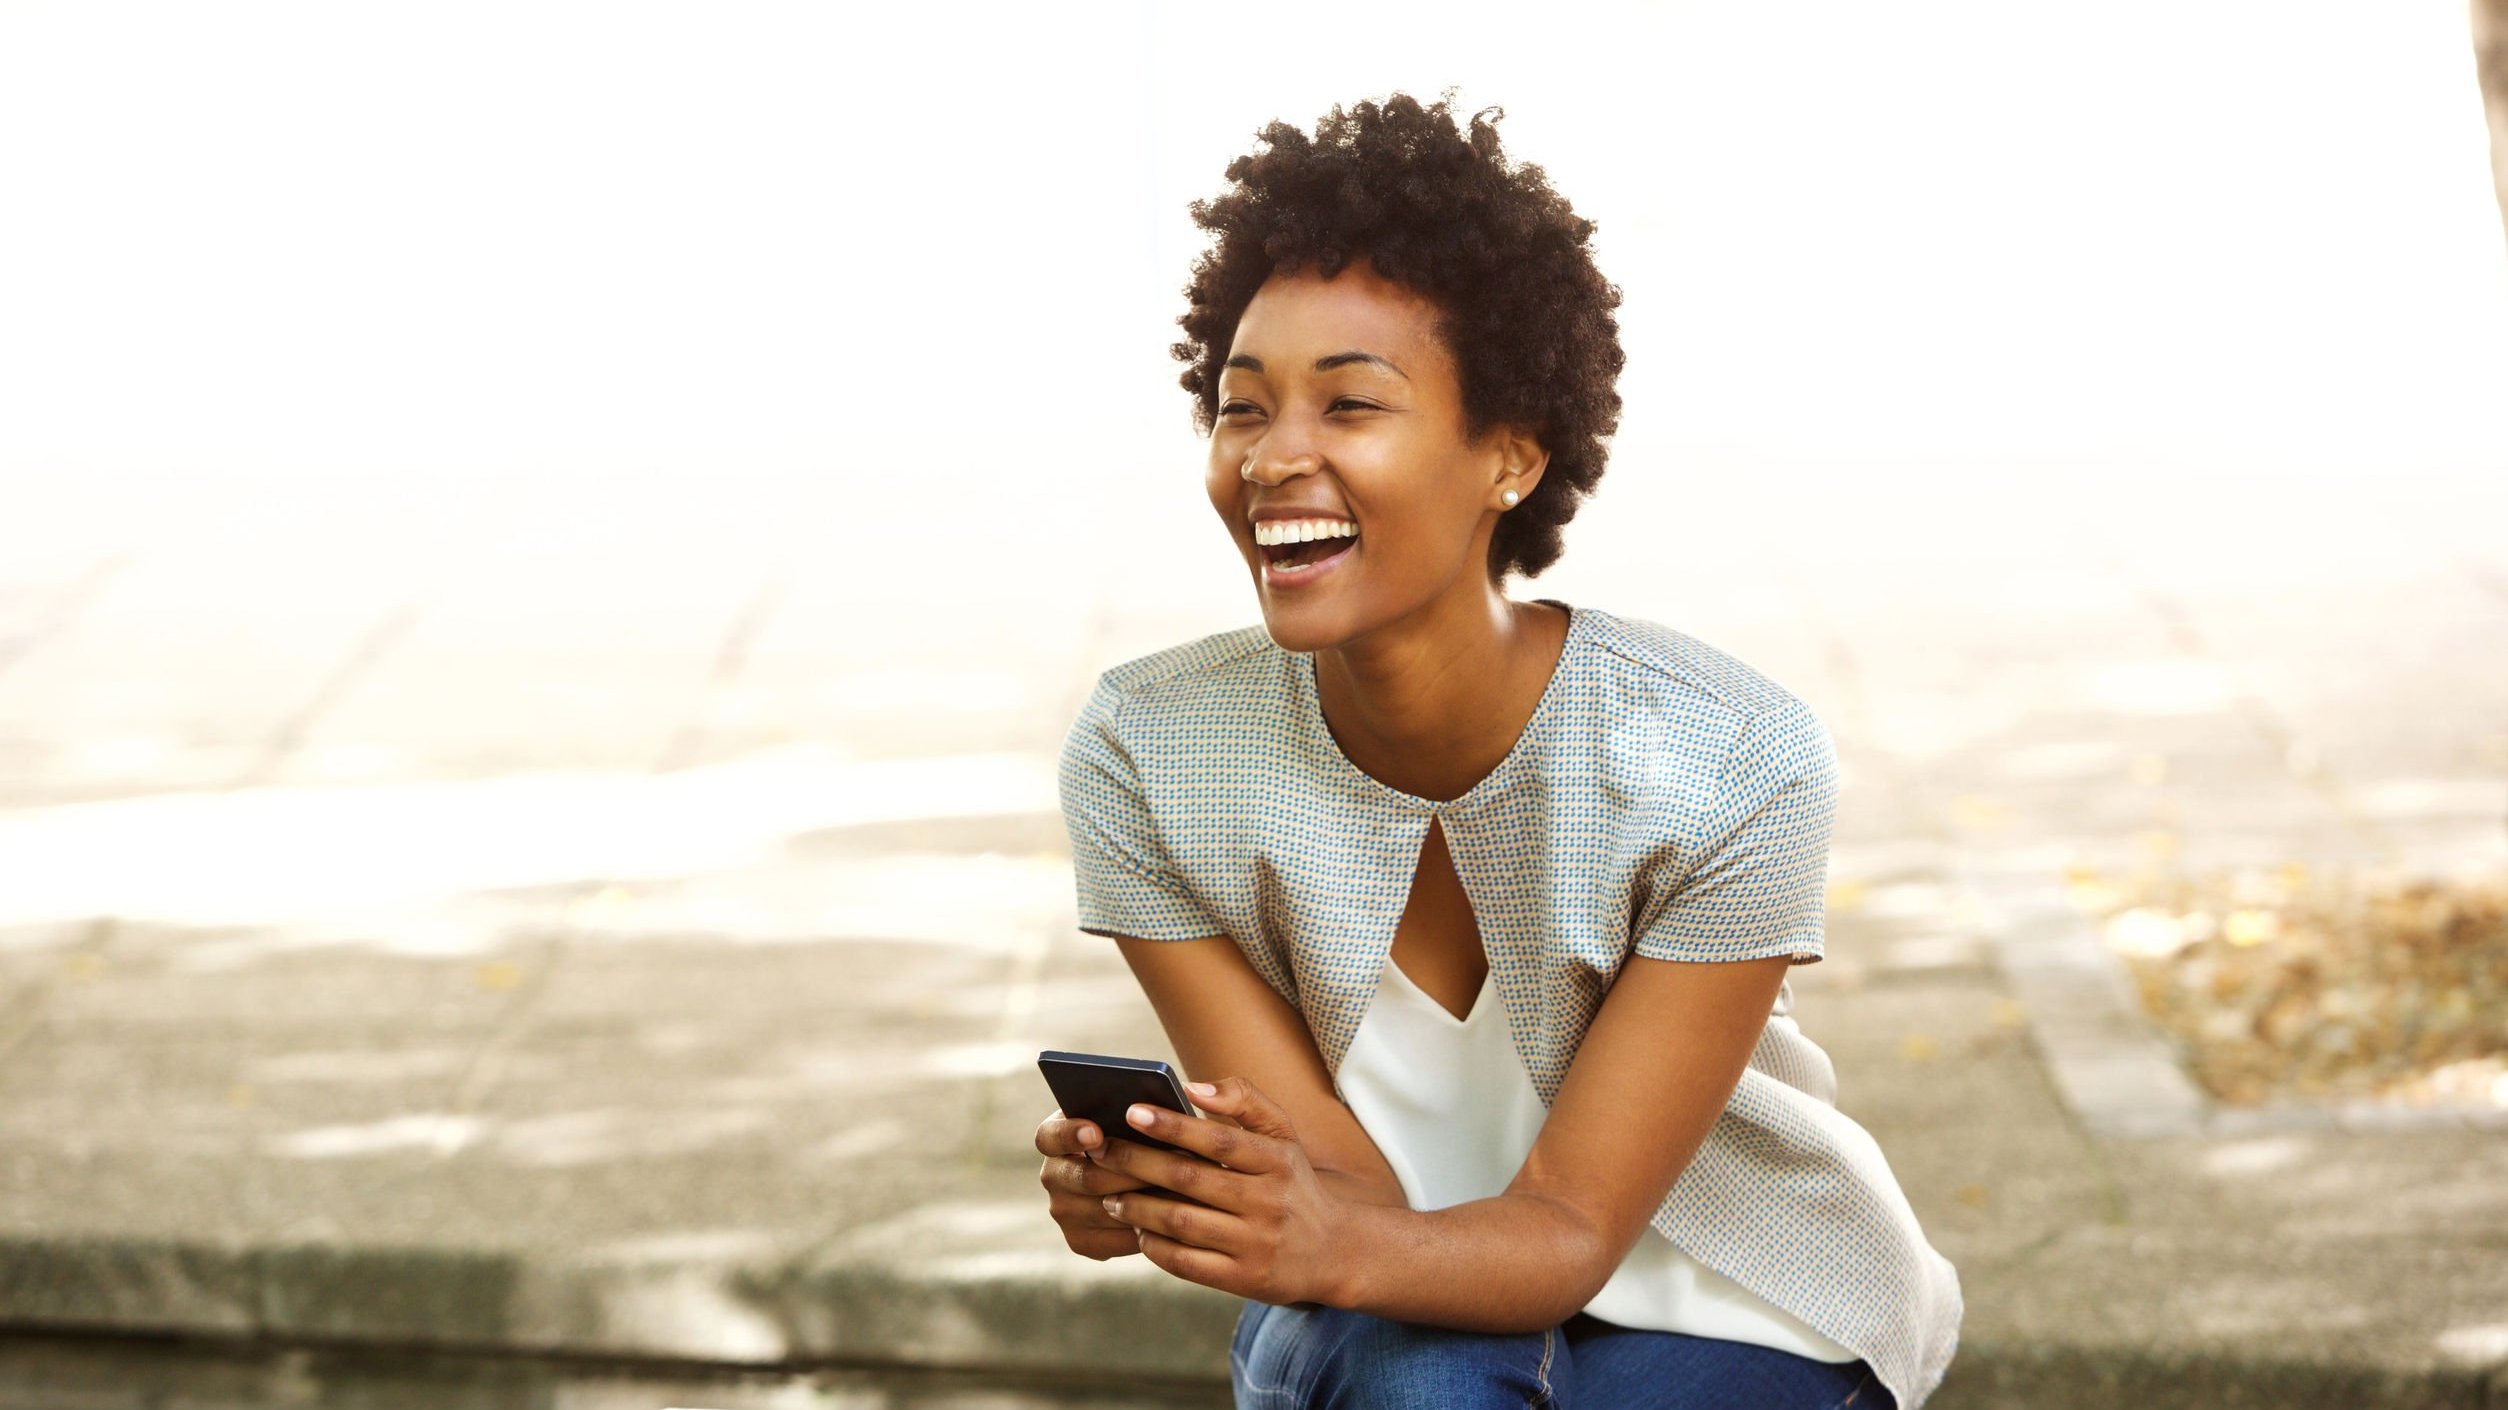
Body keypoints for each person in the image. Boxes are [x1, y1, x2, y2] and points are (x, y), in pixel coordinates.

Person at [1034, 91, 1960, 1410]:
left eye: (1349, 406)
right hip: (1379, 1284)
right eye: (1243, 410)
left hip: (1735, 1297)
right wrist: (1200, 1197)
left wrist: (1305, 1228)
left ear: (1510, 455)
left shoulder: (1726, 758)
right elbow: (1342, 1195)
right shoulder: (1150, 752)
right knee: (1429, 1384)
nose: (1273, 457)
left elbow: (1572, 1229)